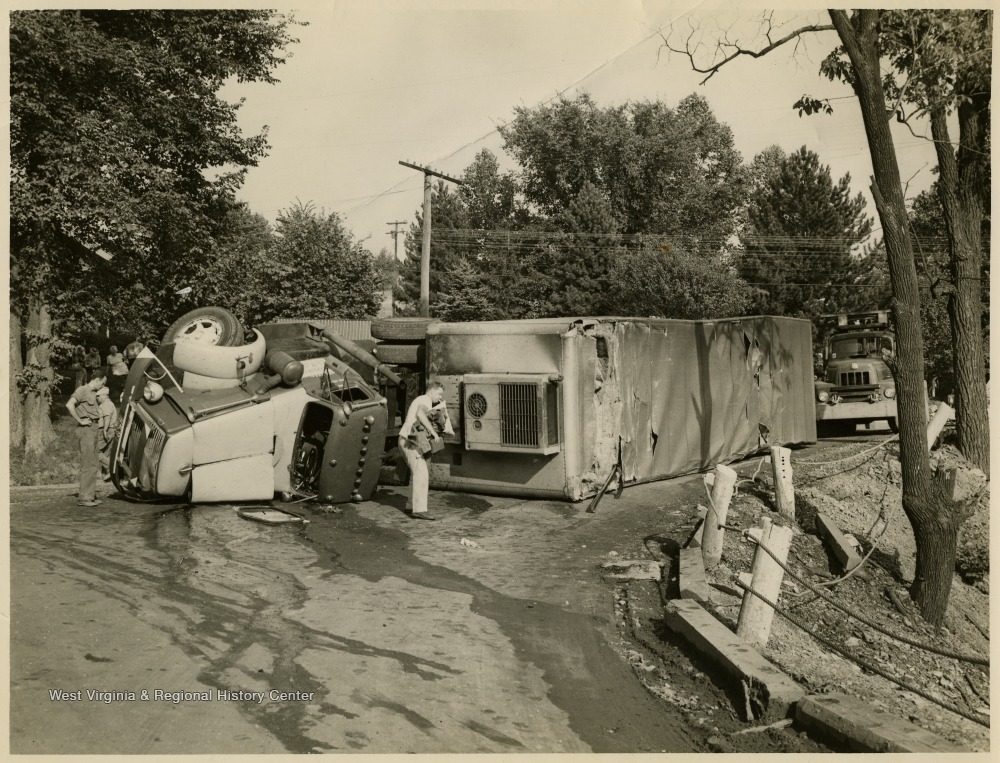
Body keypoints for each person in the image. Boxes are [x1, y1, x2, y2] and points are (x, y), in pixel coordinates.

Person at [398, 380, 452, 521]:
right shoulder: (425, 399)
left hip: (405, 439)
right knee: (421, 473)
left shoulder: (421, 399)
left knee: (417, 473)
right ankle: (420, 510)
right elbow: (421, 414)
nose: (439, 398)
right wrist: (433, 434)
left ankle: (411, 506)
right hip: (411, 440)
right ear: (432, 390)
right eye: (439, 394)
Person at [67, 368, 108, 507]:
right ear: (97, 380)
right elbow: (69, 404)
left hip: (94, 429)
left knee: (94, 463)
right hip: (86, 430)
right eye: (102, 383)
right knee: (88, 463)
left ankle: (90, 495)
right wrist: (80, 420)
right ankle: (84, 498)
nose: (102, 386)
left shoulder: (93, 393)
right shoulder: (82, 390)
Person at [96, 386, 119, 481]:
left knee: (95, 451)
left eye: (98, 396)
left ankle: (111, 469)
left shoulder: (106, 404)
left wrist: (105, 430)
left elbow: (107, 418)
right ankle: (108, 474)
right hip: (109, 430)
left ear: (103, 396)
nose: (97, 398)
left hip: (107, 430)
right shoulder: (107, 404)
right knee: (105, 453)